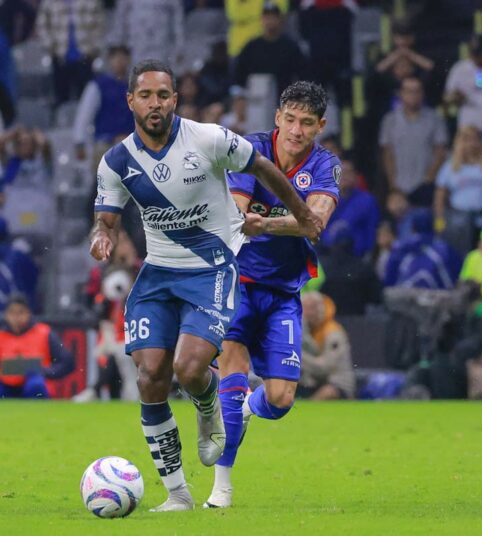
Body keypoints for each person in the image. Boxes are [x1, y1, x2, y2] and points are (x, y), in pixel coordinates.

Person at [90, 60, 322, 512]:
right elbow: (106, 218)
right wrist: (101, 234)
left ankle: (208, 403)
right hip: (158, 273)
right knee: (150, 376)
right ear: (130, 101)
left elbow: (263, 168)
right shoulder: (116, 161)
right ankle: (177, 494)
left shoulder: (209, 139)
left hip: (212, 268)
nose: (155, 103)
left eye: (163, 95)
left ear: (175, 99)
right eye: (146, 95)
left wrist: (303, 213)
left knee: (189, 368)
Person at [206, 81, 339, 509]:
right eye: (290, 119)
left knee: (281, 400)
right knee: (233, 371)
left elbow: (315, 221)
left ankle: (241, 411)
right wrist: (273, 219)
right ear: (278, 116)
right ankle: (219, 491)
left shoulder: (325, 165)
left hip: (284, 291)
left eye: (307, 123)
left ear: (320, 126)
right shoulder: (251, 149)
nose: (297, 130)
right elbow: (238, 210)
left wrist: (267, 224)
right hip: (237, 282)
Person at [0, 294, 74, 399]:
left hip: (34, 382)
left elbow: (67, 362)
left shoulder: (44, 332)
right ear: (6, 315)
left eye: (21, 312)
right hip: (5, 383)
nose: (16, 318)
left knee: (35, 386)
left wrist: (46, 372)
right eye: (12, 313)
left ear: (28, 313)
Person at [434, 125, 482, 256]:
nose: (472, 143)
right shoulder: (450, 166)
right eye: (467, 139)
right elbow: (440, 197)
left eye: (475, 139)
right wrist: (439, 222)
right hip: (458, 221)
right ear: (460, 142)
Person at [379, 76, 448, 202]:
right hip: (398, 187)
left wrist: (428, 180)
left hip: (426, 186)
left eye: (417, 91)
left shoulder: (435, 119)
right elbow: (388, 154)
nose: (413, 95)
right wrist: (393, 184)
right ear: (401, 94)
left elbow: (440, 152)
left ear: (422, 94)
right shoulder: (390, 120)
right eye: (409, 91)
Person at [35, 0, 105, 106]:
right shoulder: (49, 2)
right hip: (59, 57)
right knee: (61, 99)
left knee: (86, 100)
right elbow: (41, 25)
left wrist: (92, 48)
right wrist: (50, 45)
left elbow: (100, 25)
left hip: (85, 58)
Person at [72, 45, 133, 162]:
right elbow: (85, 114)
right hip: (105, 141)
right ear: (110, 60)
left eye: (123, 57)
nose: (120, 61)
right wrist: (79, 141)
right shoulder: (98, 85)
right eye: (116, 57)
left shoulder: (136, 86)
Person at [232, 3, 306, 98]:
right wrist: (239, 97)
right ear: (261, 19)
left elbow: (304, 75)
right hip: (257, 98)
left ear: (280, 20)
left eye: (273, 17)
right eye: (267, 17)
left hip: (284, 100)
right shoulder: (251, 47)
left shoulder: (290, 47)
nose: (270, 21)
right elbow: (238, 76)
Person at [297, 291, 355, 400]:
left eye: (312, 308)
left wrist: (296, 355)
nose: (308, 313)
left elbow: (325, 367)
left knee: (327, 392)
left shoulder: (333, 332)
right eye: (305, 308)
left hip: (337, 384)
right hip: (315, 381)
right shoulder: (307, 329)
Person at [320, 155, 379, 258]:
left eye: (348, 172)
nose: (344, 176)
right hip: (328, 257)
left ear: (355, 176)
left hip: (356, 258)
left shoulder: (367, 200)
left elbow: (371, 235)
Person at [110, 0, 184, 65]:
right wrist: (119, 45)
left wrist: (179, 46)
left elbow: (178, 21)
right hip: (136, 45)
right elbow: (120, 18)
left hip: (161, 45)